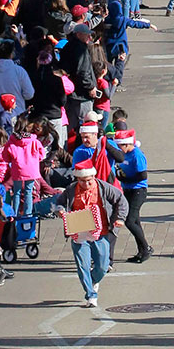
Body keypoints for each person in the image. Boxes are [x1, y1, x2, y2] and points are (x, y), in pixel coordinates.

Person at [51, 147, 124, 307]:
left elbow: (121, 199)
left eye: (89, 180)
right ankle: (91, 294)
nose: (86, 183)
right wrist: (60, 211)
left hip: (101, 231)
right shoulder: (71, 190)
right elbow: (59, 203)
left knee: (102, 266)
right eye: (83, 181)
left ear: (94, 176)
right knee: (82, 265)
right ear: (77, 179)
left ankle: (93, 281)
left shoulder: (103, 188)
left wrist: (119, 218)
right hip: (79, 231)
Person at [110, 126, 152, 262]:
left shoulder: (136, 155)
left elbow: (142, 175)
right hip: (127, 190)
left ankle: (146, 248)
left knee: (129, 221)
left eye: (120, 146)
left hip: (138, 191)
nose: (118, 149)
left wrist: (125, 179)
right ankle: (141, 251)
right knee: (135, 221)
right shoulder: (123, 155)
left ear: (128, 144)